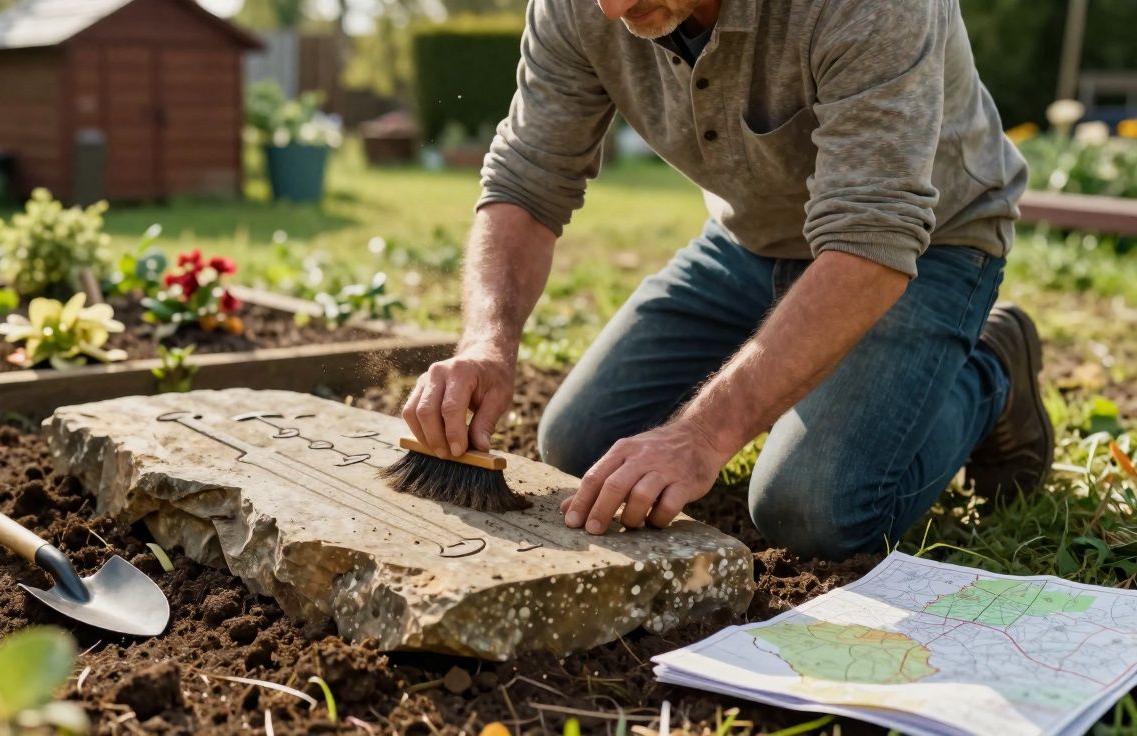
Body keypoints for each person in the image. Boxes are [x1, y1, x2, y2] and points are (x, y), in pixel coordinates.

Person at [400, 0, 1053, 561]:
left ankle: (992, 369)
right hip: (752, 242)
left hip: (925, 246)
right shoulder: (585, 6)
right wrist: (486, 341)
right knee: (577, 443)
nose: (610, 9)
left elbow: (871, 237)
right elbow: (526, 181)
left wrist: (702, 435)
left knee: (814, 508)